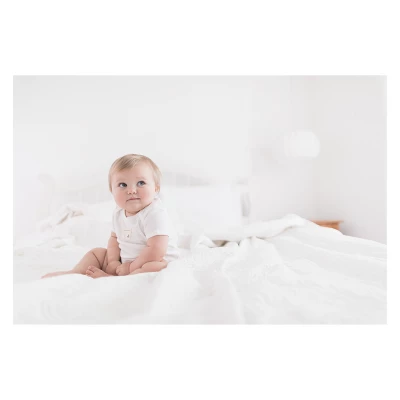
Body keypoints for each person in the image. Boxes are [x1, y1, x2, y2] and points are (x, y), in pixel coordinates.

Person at [42, 154, 180, 279]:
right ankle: (75, 273)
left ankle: (112, 279)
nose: (131, 190)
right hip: (125, 262)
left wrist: (131, 267)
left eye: (141, 183)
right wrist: (113, 261)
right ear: (112, 191)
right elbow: (114, 239)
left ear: (156, 188)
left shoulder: (154, 213)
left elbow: (156, 250)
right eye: (123, 185)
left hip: (153, 260)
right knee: (97, 253)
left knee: (156, 267)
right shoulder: (118, 212)